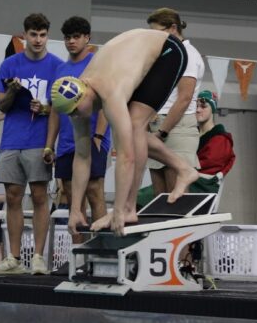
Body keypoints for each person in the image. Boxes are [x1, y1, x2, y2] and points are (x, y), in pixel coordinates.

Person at [51, 28, 199, 236]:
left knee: (135, 124)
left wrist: (118, 210)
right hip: (135, 55)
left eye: (75, 111)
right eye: (70, 113)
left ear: (84, 94)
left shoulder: (110, 94)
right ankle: (183, 169)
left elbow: (126, 158)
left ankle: (129, 207)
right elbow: (82, 156)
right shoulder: (77, 102)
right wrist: (75, 210)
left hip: (167, 51)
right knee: (131, 129)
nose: (75, 116)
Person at [0, 13, 63, 275]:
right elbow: (1, 105)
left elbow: (62, 108)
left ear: (47, 36)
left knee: (40, 196)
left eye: (42, 35)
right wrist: (12, 91)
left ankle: (39, 258)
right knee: (12, 197)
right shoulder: (10, 64)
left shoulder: (57, 65)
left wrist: (45, 109)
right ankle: (14, 258)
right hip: (12, 139)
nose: (38, 40)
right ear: (24, 36)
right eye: (33, 34)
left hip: (39, 140)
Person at [44, 16, 110, 245]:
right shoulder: (60, 69)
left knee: (94, 191)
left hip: (92, 138)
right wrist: (49, 145)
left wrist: (99, 135)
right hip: (67, 141)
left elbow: (106, 101)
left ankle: (102, 251)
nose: (71, 41)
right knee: (72, 197)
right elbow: (55, 110)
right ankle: (78, 256)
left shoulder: (97, 64)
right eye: (67, 37)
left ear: (87, 38)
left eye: (76, 37)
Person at [146, 8, 205, 194]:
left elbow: (184, 98)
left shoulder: (188, 55)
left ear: (173, 28)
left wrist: (162, 132)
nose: (154, 38)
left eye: (157, 33)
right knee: (160, 198)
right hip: (159, 125)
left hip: (177, 128)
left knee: (176, 197)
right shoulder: (168, 54)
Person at [195, 90, 235, 177]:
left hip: (204, 182)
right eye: (196, 106)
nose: (198, 110)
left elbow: (210, 164)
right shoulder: (190, 133)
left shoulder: (221, 139)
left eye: (203, 106)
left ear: (212, 109)